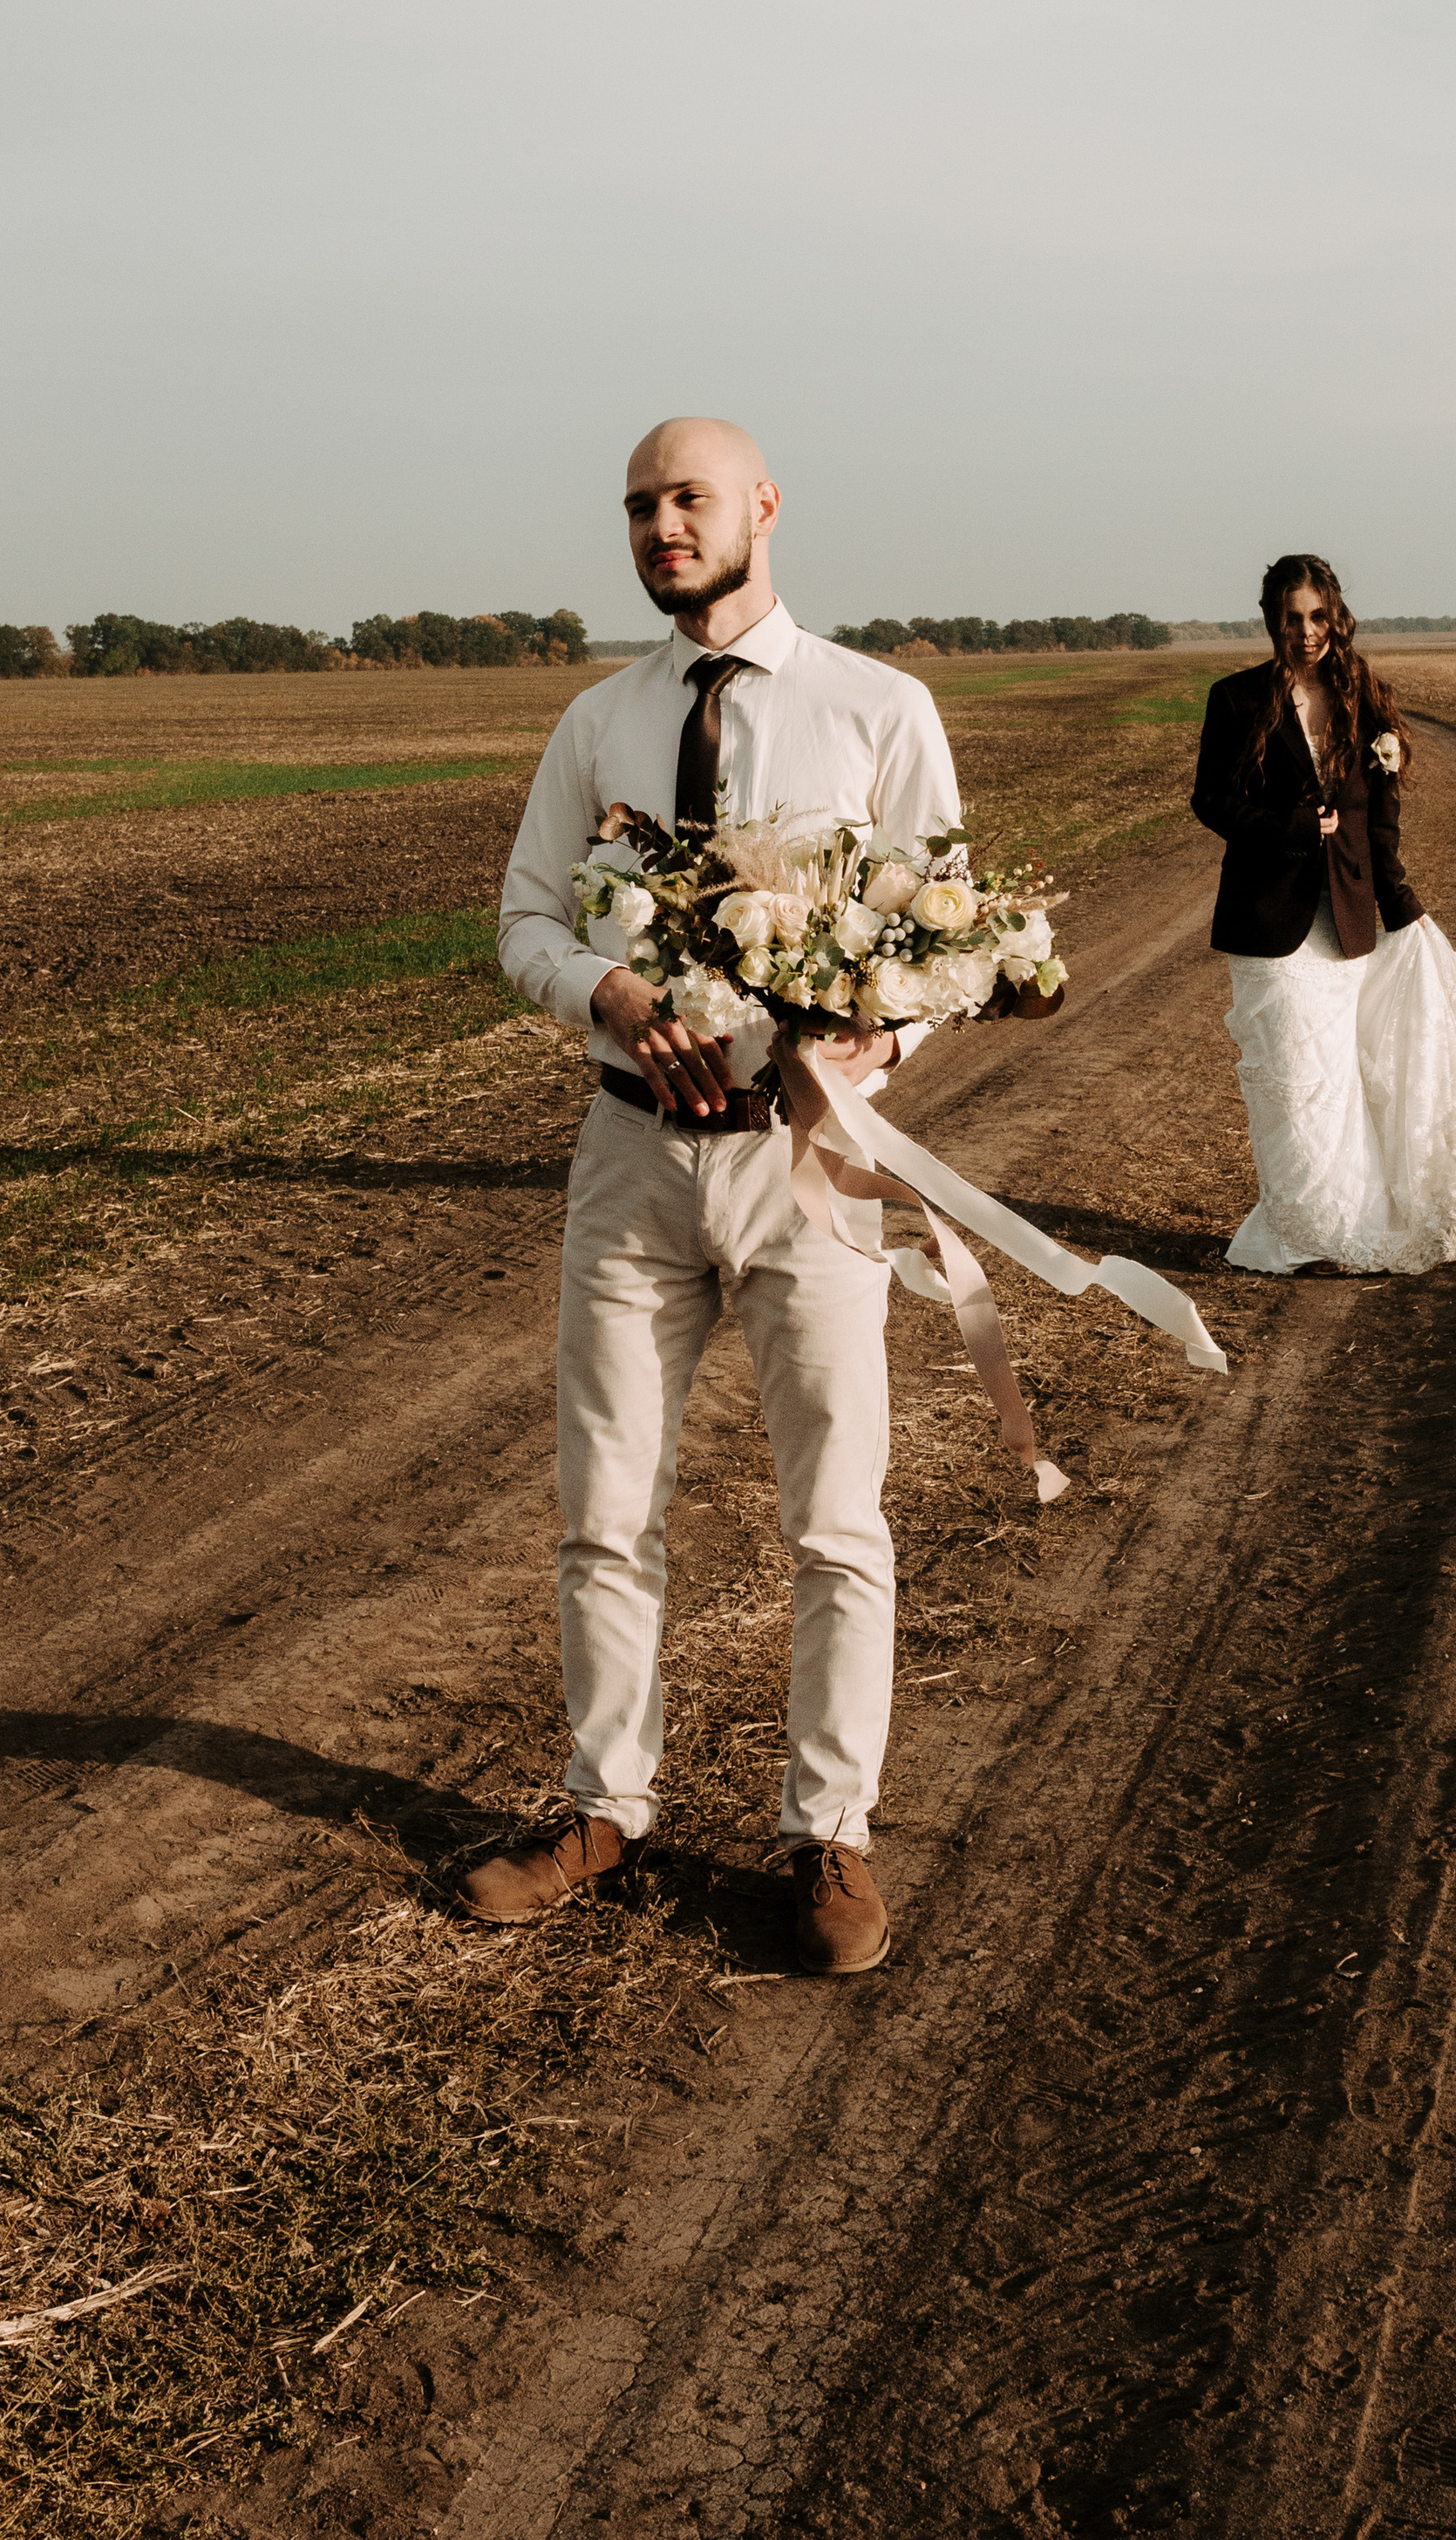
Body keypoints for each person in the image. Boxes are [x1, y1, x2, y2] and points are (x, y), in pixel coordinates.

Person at [466, 416, 959, 1975]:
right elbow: (526, 921)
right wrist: (604, 995)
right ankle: (606, 1806)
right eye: (638, 507)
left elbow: (949, 934)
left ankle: (831, 1837)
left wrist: (888, 1030)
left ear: (762, 508)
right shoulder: (600, 722)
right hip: (628, 1163)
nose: (661, 527)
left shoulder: (878, 709)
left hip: (803, 1159)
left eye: (688, 499)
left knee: (834, 1517)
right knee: (603, 1509)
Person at [1191, 553, 1456, 1277]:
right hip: (1270, 923)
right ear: (1274, 621)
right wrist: (1291, 829)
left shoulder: (1367, 699)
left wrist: (1402, 904)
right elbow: (1211, 800)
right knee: (1294, 1082)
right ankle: (1299, 1237)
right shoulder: (1236, 699)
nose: (1306, 633)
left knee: (1338, 1081)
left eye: (1318, 617)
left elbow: (1381, 819)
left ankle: (1340, 1227)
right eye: (1292, 619)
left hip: (1347, 920)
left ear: (1336, 616)